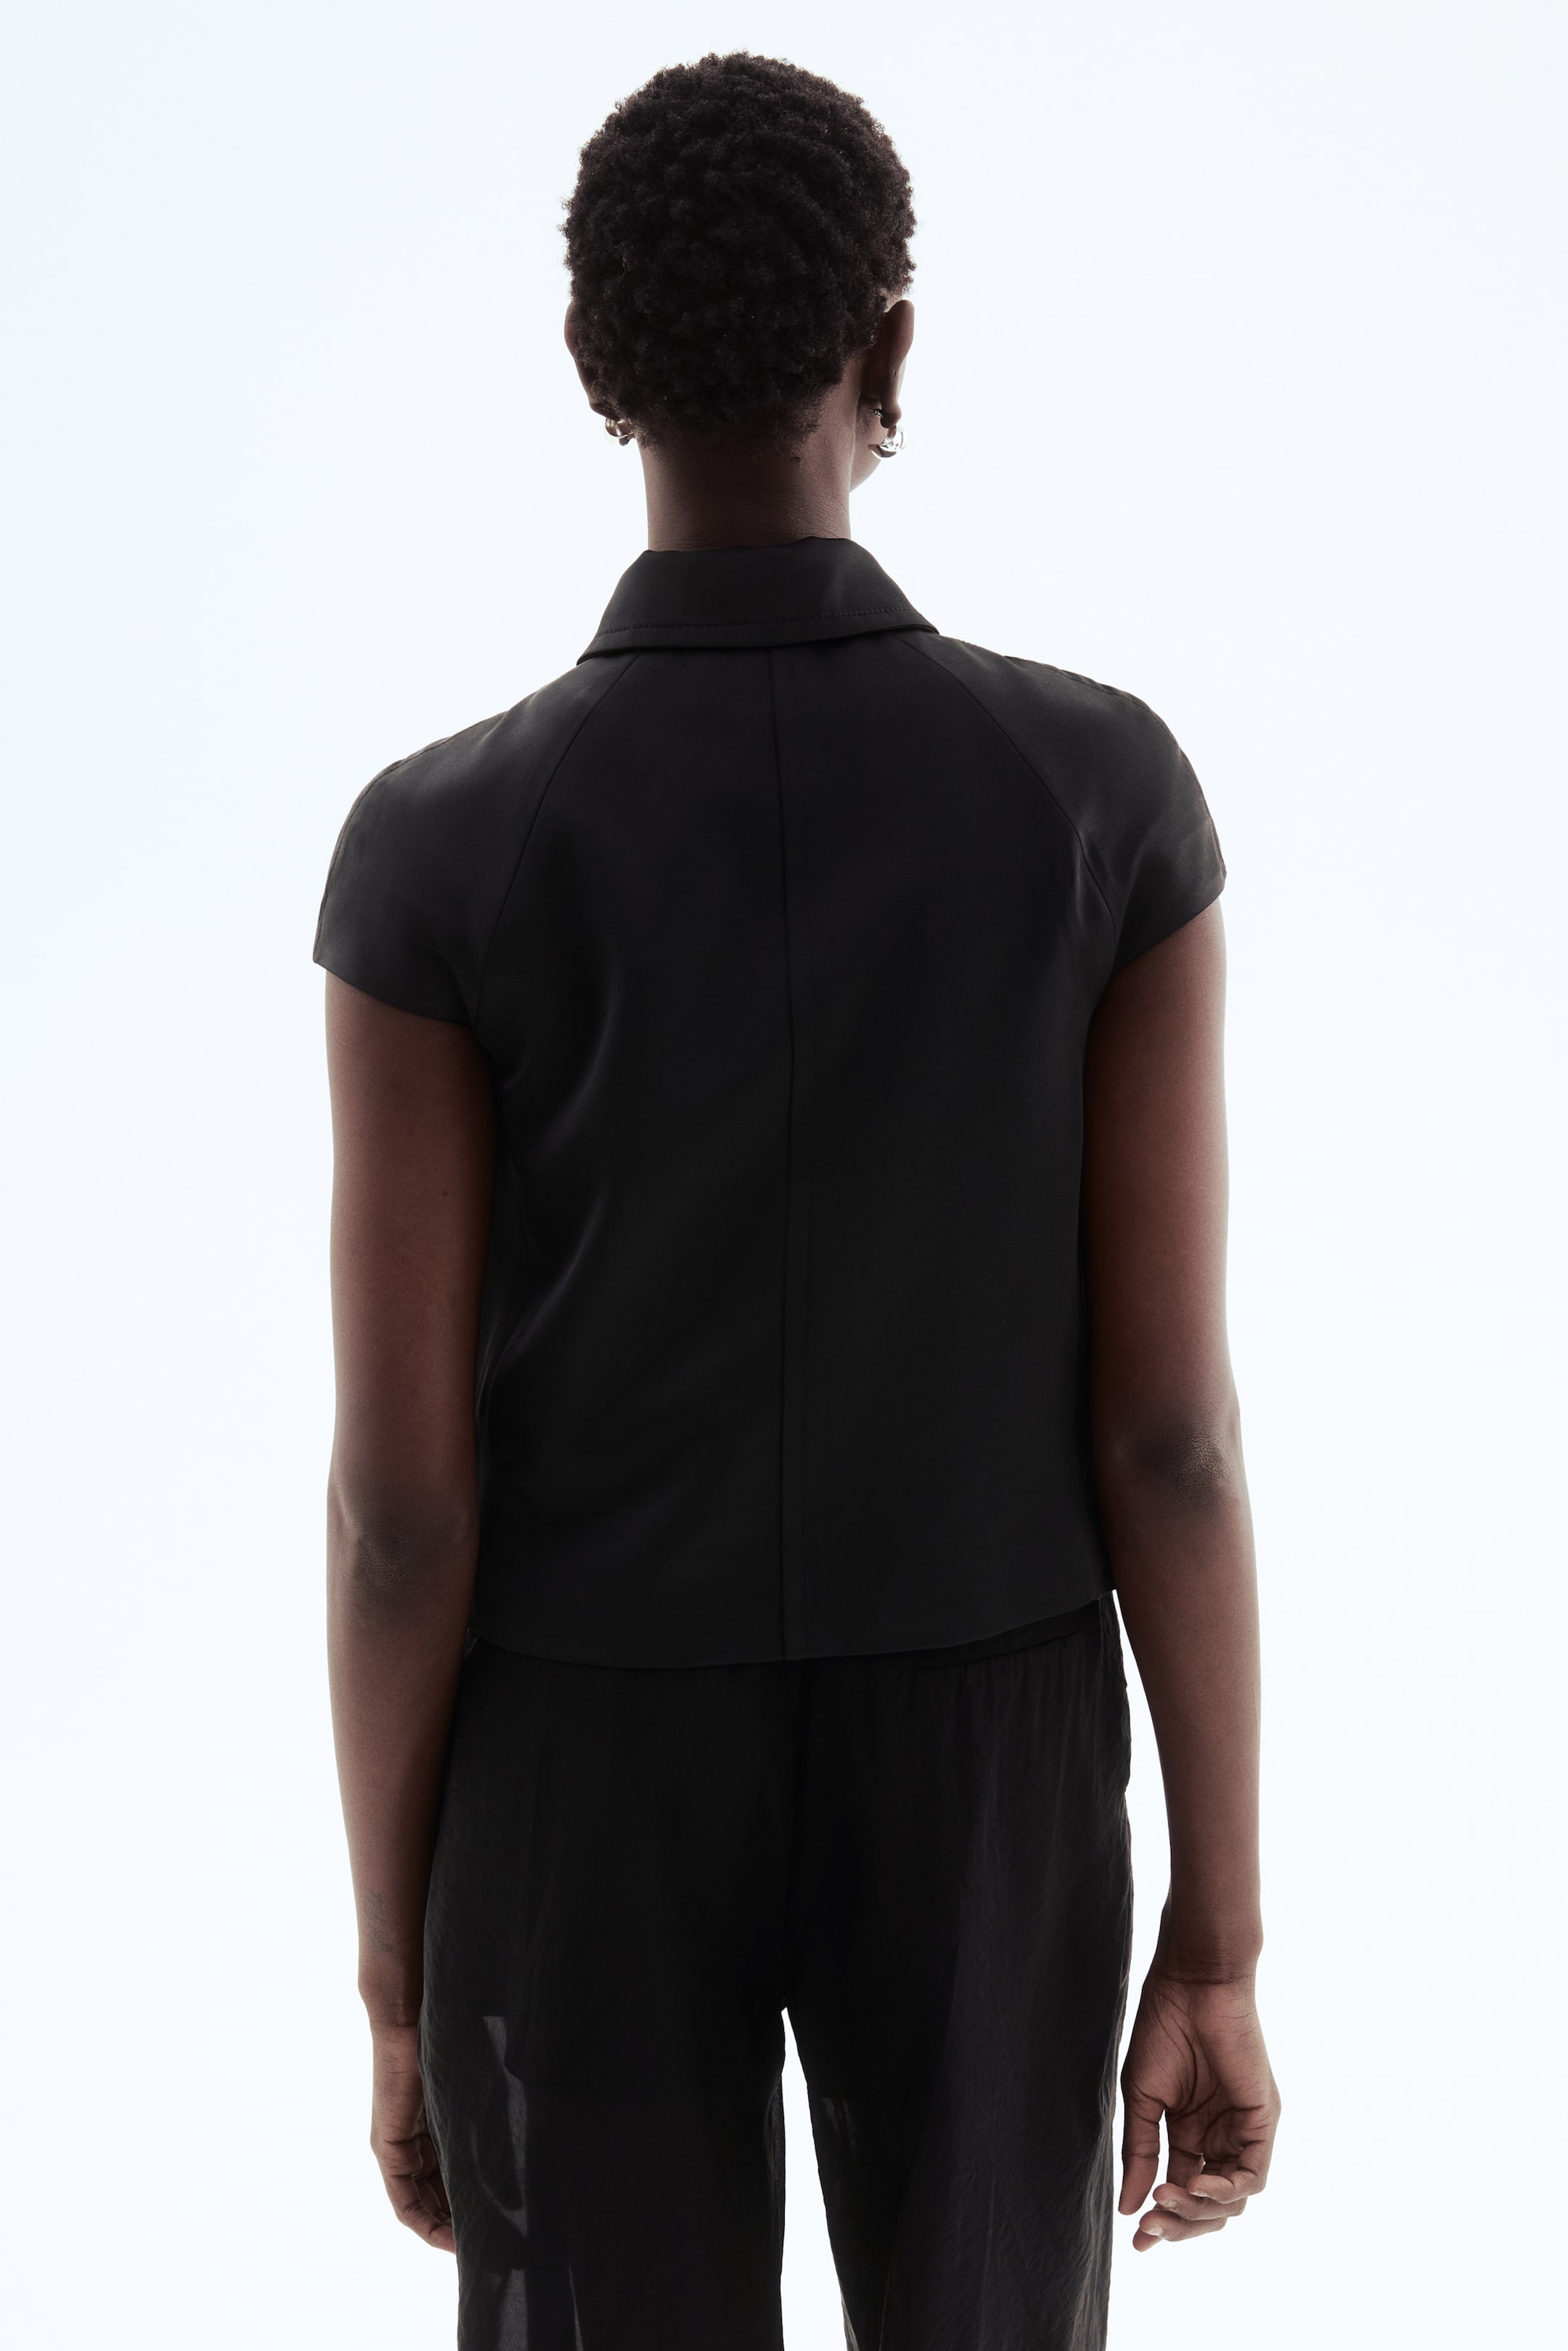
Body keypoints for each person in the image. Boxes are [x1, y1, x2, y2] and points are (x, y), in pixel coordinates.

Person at [317, 51, 1279, 2351]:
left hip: (579, 1761)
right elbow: (1168, 1440)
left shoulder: (437, 849)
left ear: (594, 365)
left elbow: (405, 1515)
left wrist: (400, 1973)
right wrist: (1220, 1933)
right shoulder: (1098, 798)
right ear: (891, 347)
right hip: (989, 1740)